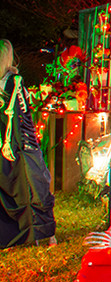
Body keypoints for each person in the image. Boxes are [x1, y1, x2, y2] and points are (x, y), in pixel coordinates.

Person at [0, 39, 56, 248]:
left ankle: (37, 232)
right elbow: (21, 114)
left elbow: (20, 113)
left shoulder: (12, 81)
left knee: (27, 186)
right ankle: (35, 233)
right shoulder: (12, 81)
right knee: (30, 186)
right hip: (15, 144)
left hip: (14, 144)